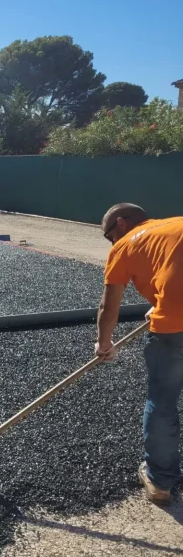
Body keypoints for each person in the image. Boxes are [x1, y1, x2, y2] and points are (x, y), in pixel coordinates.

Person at [96, 203, 183, 505]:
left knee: (162, 400)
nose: (111, 243)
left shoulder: (124, 245)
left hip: (175, 331)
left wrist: (104, 344)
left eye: (109, 236)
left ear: (120, 224)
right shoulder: (175, 225)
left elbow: (110, 307)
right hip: (173, 313)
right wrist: (162, 303)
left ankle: (160, 481)